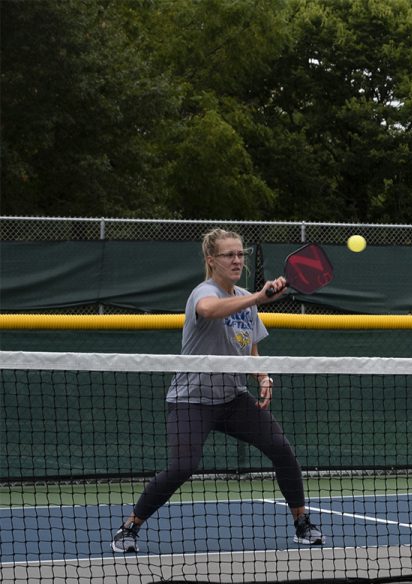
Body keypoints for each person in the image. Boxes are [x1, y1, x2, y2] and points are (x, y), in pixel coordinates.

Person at [111, 228, 324, 553]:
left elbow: (250, 344)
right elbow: (209, 310)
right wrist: (259, 297)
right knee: (183, 466)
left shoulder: (245, 299)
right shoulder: (203, 292)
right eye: (229, 255)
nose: (238, 260)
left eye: (241, 254)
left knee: (282, 449)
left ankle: (301, 523)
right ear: (211, 260)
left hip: (232, 399)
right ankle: (129, 527)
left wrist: (262, 376)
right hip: (191, 400)